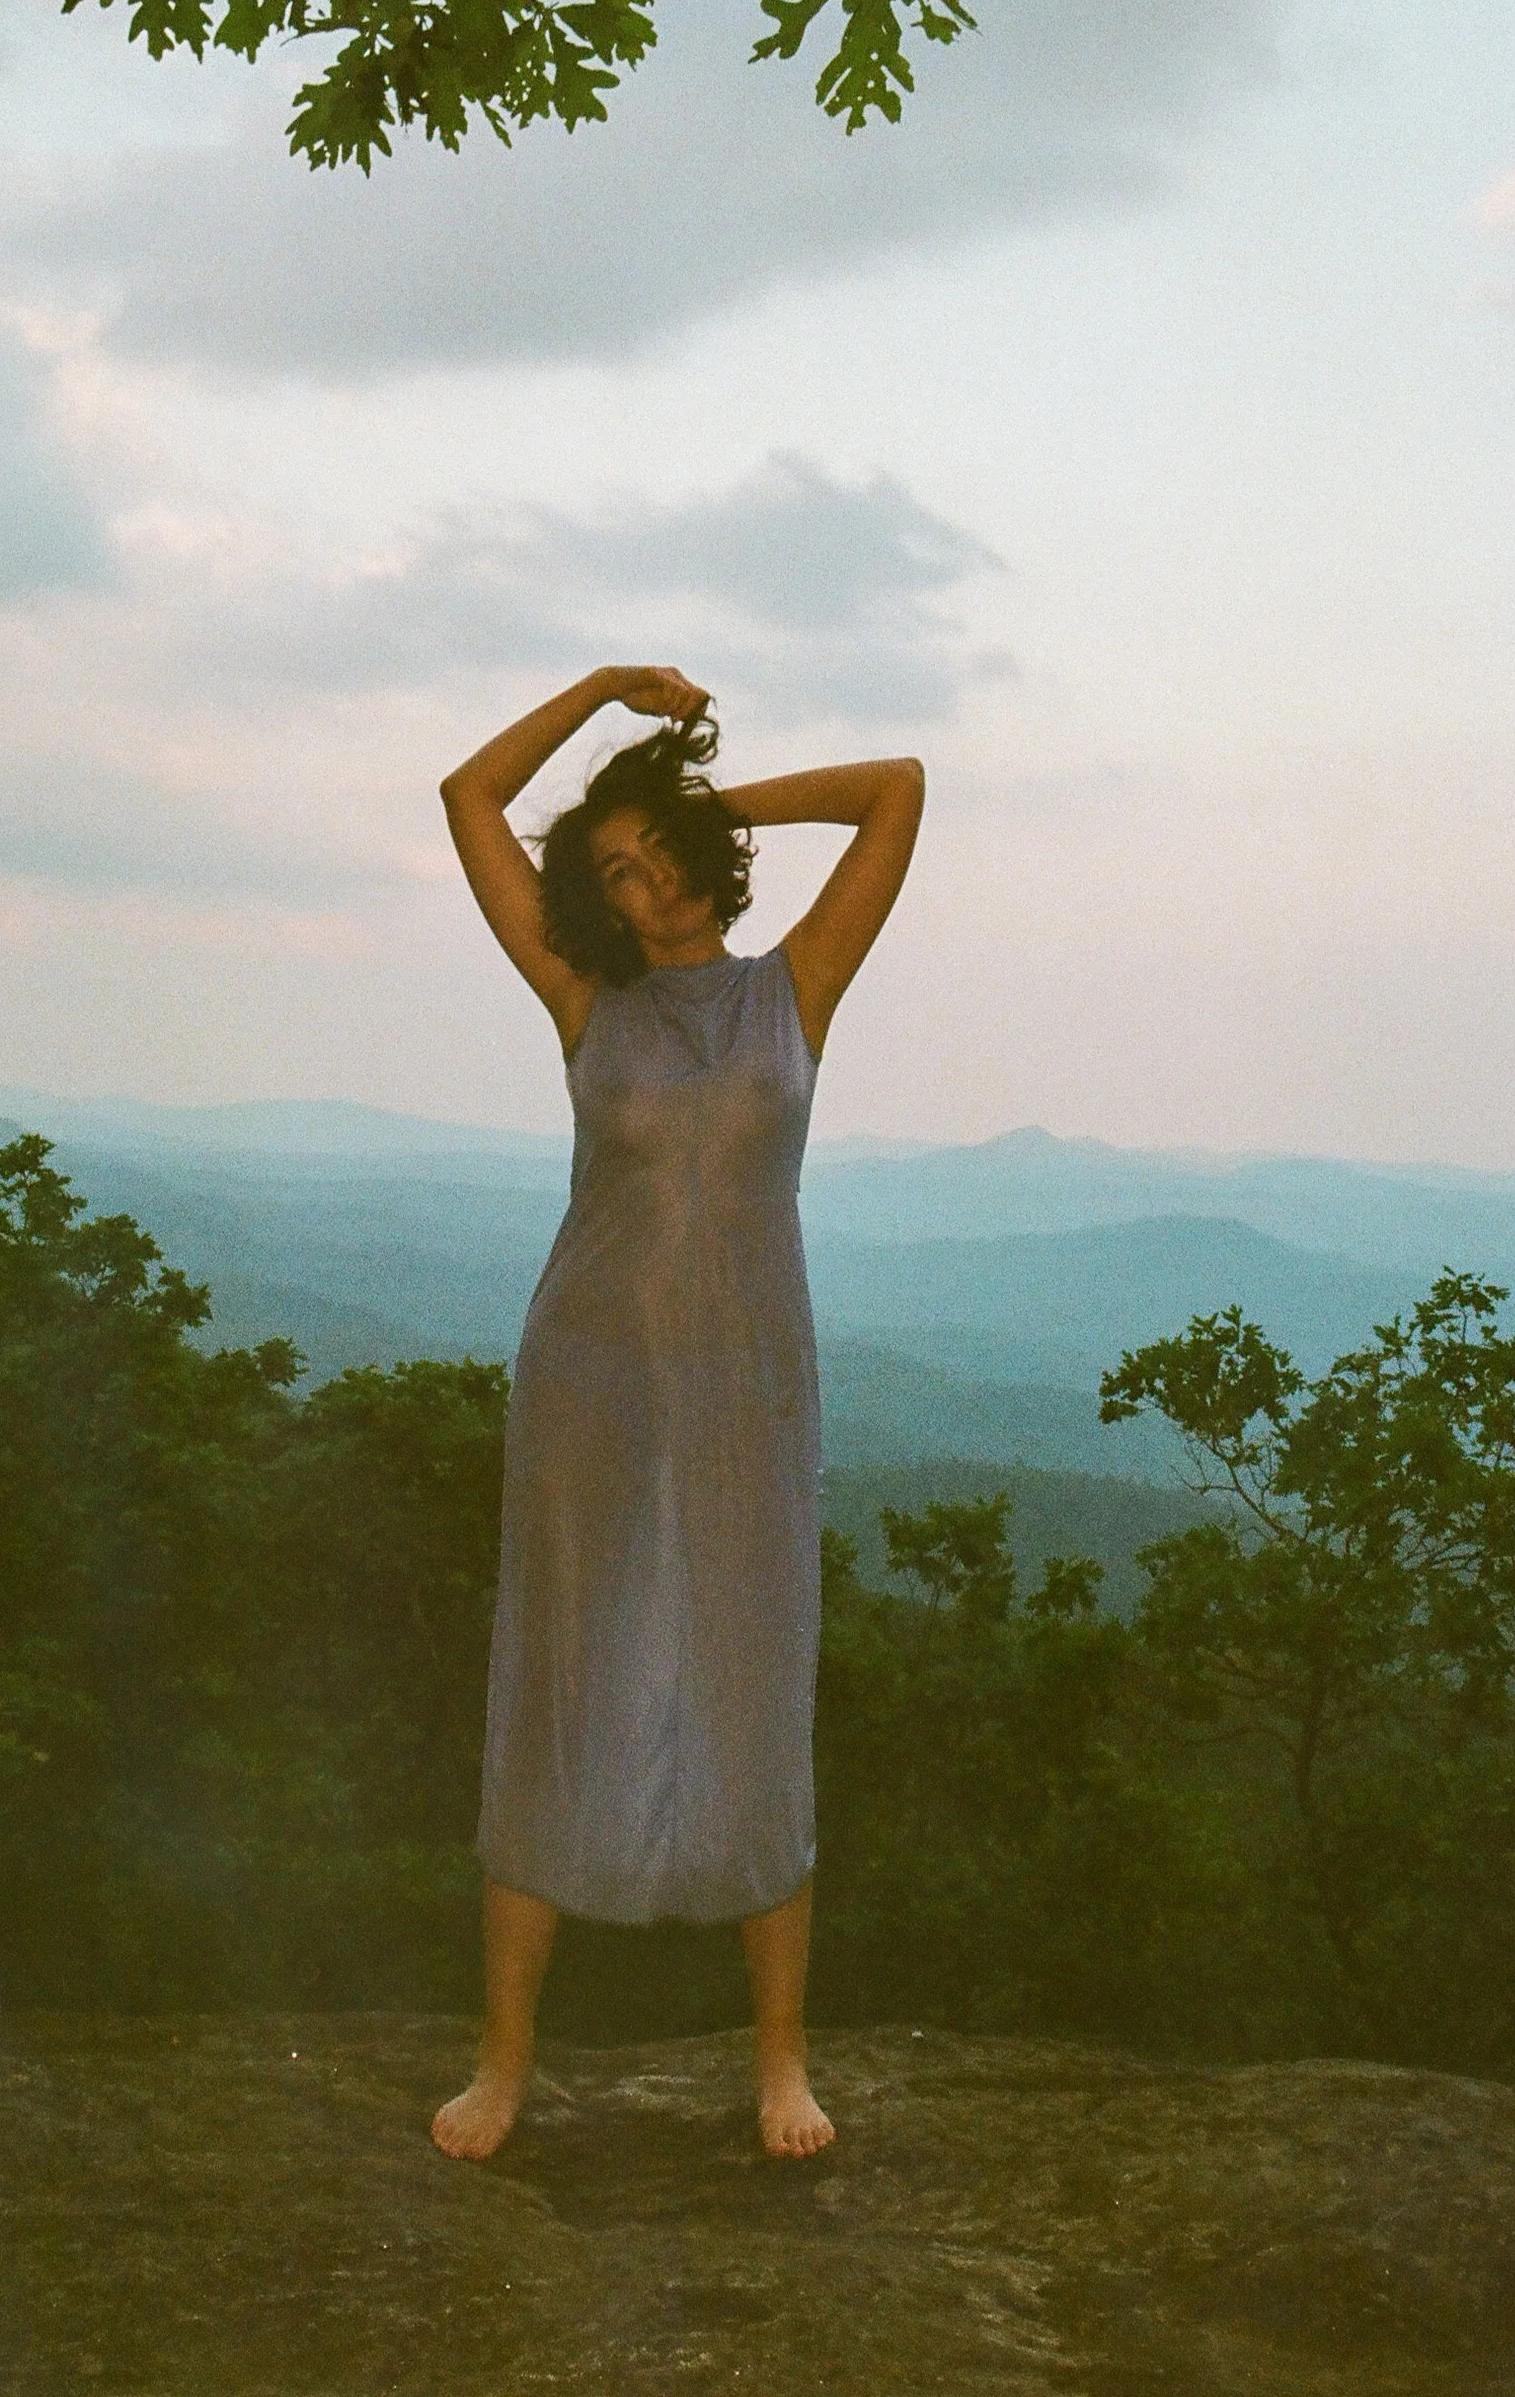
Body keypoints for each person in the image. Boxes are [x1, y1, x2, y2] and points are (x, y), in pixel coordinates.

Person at [431, 663, 924, 2163]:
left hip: (750, 1393)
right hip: (589, 1382)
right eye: (613, 874)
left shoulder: (795, 990)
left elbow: (895, 790)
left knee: (753, 1691)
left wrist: (707, 798)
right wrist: (597, 697)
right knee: (561, 1681)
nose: (638, 892)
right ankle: (503, 2065)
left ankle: (781, 2063)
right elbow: (468, 799)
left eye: (653, 860)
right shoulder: (586, 999)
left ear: (695, 858)